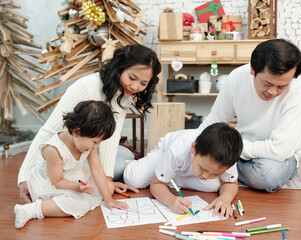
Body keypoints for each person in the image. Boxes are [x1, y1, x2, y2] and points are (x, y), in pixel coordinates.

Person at [18, 44, 161, 203]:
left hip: (85, 147)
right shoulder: (87, 87)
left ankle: (91, 178)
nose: (135, 87)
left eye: (143, 83)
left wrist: (107, 179)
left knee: (125, 156)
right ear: (120, 67)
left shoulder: (124, 95)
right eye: (132, 78)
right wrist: (23, 177)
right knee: (119, 165)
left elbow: (111, 138)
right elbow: (49, 130)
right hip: (63, 150)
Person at [199, 39, 301, 193]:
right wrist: (197, 145)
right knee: (200, 158)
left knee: (267, 175)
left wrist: (229, 151)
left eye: (282, 86)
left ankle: (221, 169)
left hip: (277, 158)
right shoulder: (237, 77)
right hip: (243, 148)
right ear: (252, 70)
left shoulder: (298, 91)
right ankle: (223, 168)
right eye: (267, 83)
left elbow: (280, 150)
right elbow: (215, 120)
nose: (273, 92)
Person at [14, 101, 129, 229]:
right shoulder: (53, 149)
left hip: (74, 178)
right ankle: (32, 210)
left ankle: (68, 200)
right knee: (81, 204)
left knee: (107, 186)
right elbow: (57, 181)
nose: (96, 147)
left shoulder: (88, 143)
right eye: (95, 142)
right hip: (51, 184)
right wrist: (78, 187)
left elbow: (96, 169)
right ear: (76, 132)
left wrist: (109, 200)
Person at [124, 123, 243, 218]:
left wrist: (225, 198)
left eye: (216, 173)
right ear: (193, 148)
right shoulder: (177, 150)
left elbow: (230, 182)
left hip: (183, 168)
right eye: (203, 168)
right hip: (165, 153)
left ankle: (171, 175)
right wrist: (170, 200)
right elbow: (157, 184)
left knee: (213, 186)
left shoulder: (228, 157)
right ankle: (163, 172)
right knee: (134, 179)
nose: (206, 176)